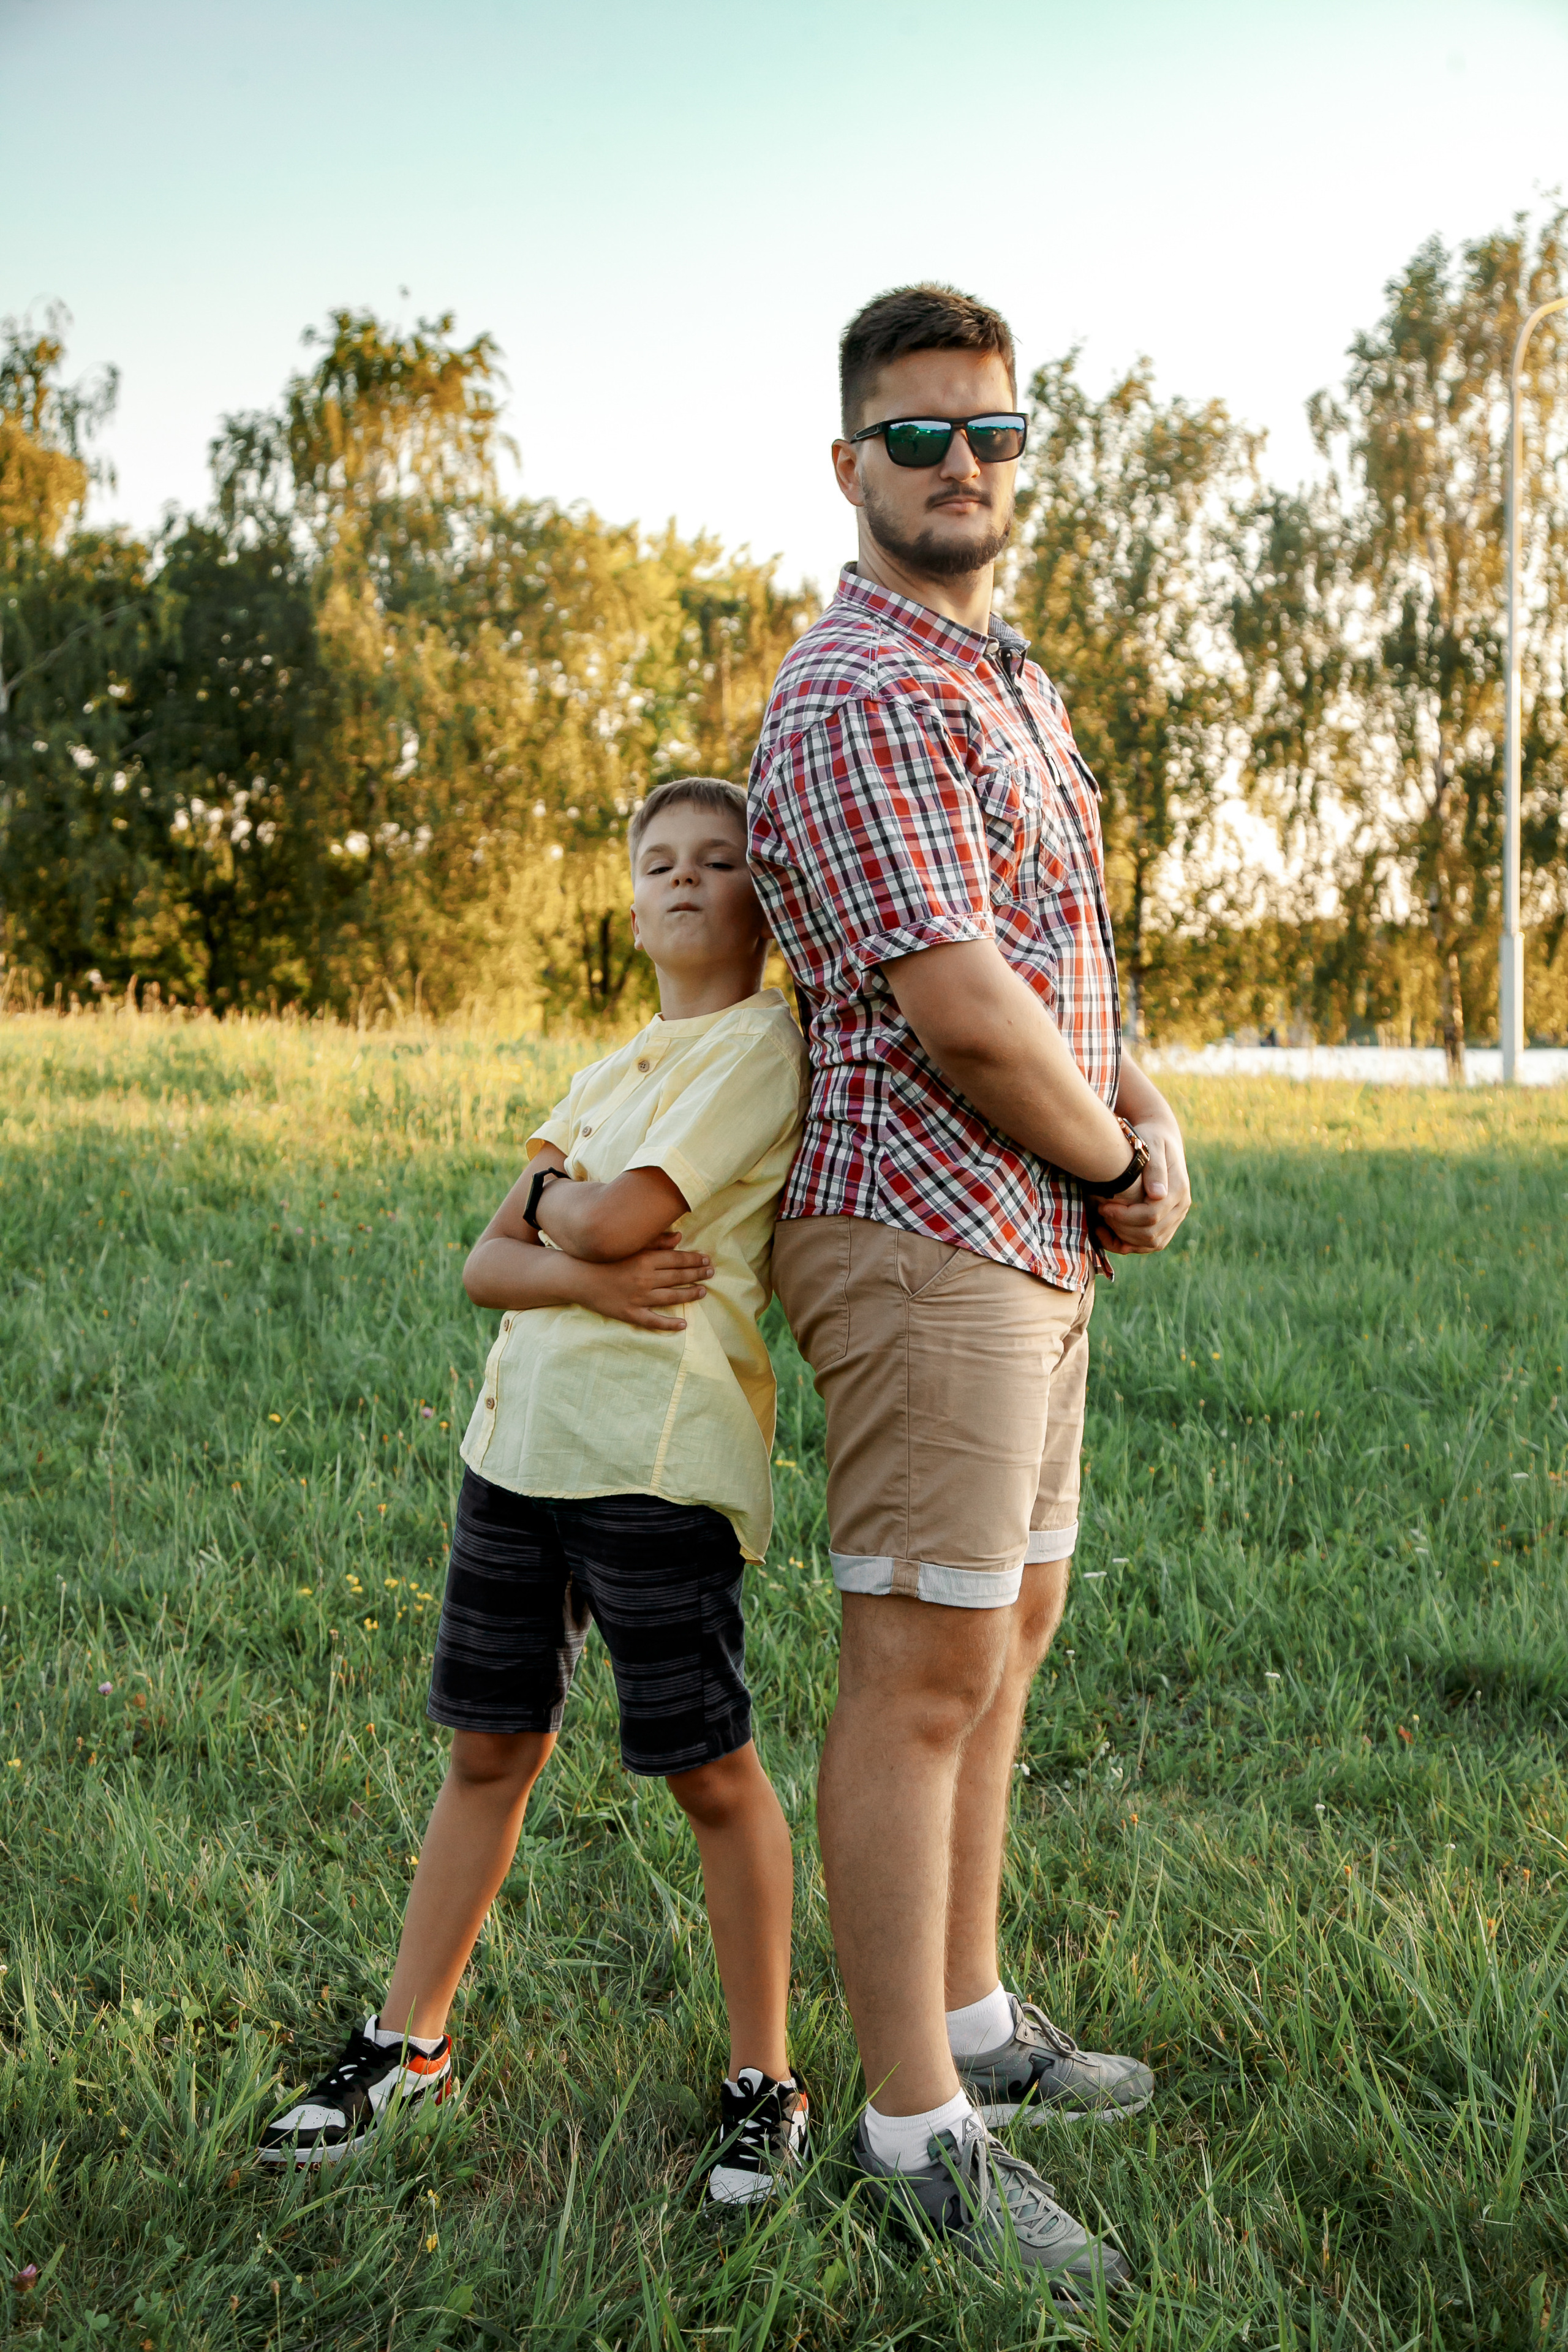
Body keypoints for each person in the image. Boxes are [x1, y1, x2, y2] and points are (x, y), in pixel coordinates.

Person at [748, 284, 1193, 2292]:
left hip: (1028, 1225)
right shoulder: (861, 690)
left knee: (1002, 1644)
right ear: (851, 464)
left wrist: (1142, 1111)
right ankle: (912, 2121)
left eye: (992, 433)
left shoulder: (1003, 675)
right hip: (924, 1226)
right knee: (919, 1677)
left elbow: (1063, 949)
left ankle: (983, 2019)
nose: (961, 467)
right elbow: (953, 1003)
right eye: (918, 437)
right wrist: (1106, 1159)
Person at [258, 778, 812, 2207]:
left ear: (767, 891)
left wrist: (565, 1217)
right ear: (631, 903)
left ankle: (768, 2079)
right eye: (658, 864)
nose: (686, 881)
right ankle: (409, 2042)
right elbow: (484, 1269)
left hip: (654, 1460)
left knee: (706, 1768)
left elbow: (616, 1215)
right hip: (516, 1451)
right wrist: (579, 1247)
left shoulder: (762, 1043)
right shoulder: (608, 1070)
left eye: (720, 861)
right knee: (487, 1751)